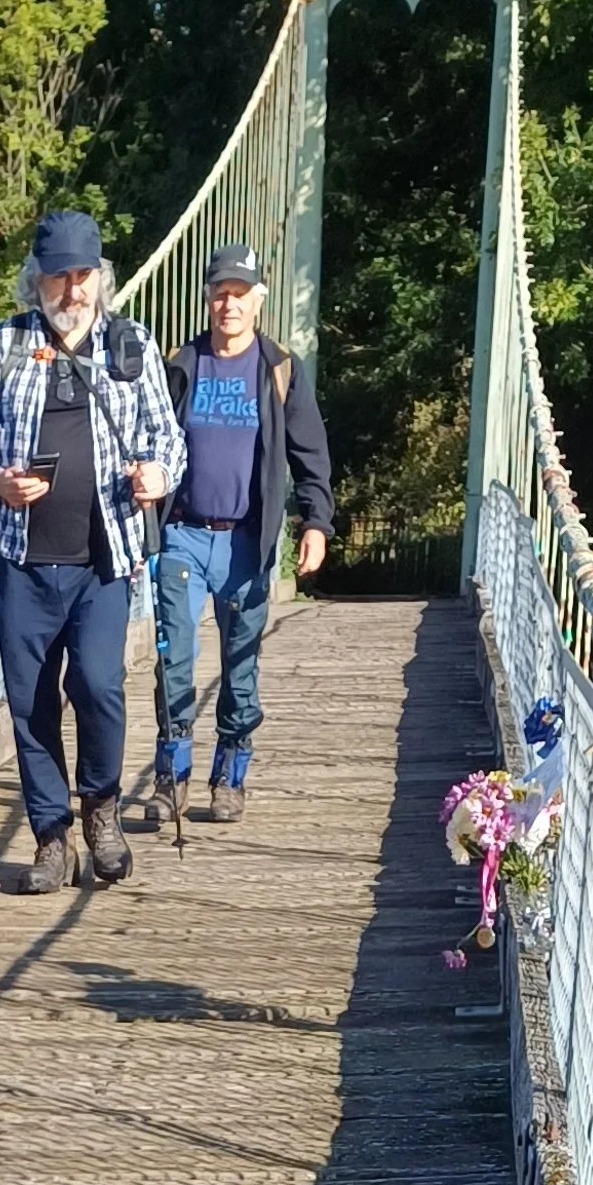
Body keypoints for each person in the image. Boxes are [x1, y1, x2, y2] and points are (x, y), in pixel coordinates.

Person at [0, 209, 182, 894]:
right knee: (31, 702)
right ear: (35, 282)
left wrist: (159, 476)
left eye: (82, 276)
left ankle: (100, 810)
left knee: (99, 687)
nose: (71, 291)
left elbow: (168, 441)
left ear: (99, 279)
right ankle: (50, 838)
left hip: (104, 561)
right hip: (20, 561)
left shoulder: (132, 346)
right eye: (57, 277)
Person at [151, 239, 333, 828]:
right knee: (174, 656)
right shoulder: (179, 363)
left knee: (240, 663)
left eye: (240, 295)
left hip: (246, 540)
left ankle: (230, 775)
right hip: (181, 533)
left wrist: (316, 522)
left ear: (259, 301)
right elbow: (145, 442)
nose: (229, 305)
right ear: (208, 299)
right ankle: (170, 776)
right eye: (219, 294)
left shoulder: (279, 369)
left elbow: (311, 454)